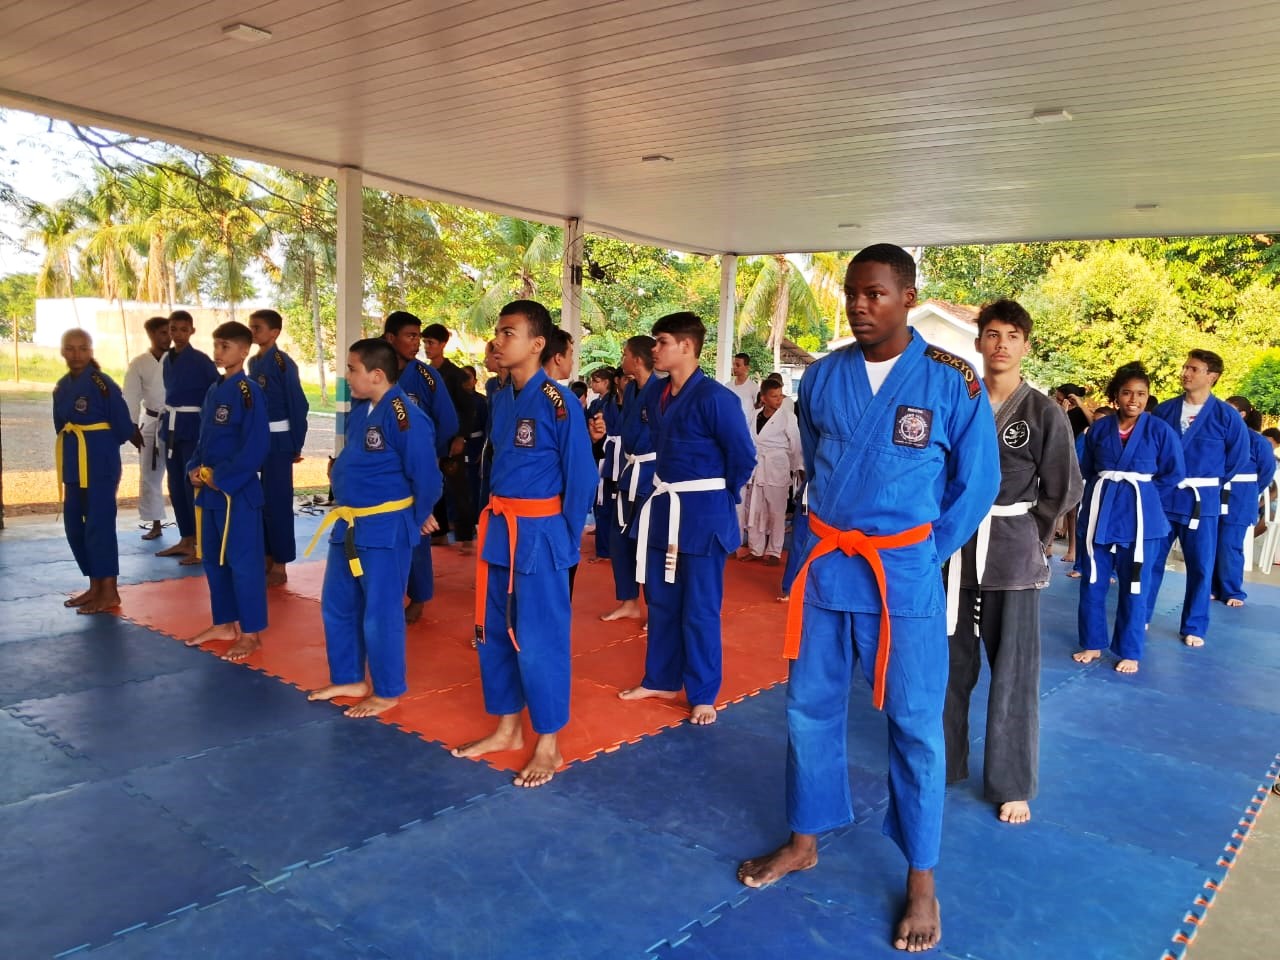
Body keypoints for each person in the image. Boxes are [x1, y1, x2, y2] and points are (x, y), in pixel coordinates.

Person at [738, 244, 999, 954]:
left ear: (908, 298)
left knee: (915, 725)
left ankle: (921, 877)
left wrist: (925, 550)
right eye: (853, 293)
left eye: (876, 293)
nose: (860, 305)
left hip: (900, 577)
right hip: (827, 572)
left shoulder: (953, 382)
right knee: (806, 711)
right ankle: (803, 839)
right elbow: (819, 461)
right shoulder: (821, 379)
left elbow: (975, 484)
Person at [943, 299, 1082, 826]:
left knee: (1014, 674)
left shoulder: (1043, 411)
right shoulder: (959, 400)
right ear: (979, 342)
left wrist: (1031, 534)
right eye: (993, 334)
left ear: (1026, 345)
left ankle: (1012, 782)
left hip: (1013, 553)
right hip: (955, 551)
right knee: (948, 667)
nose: (1001, 343)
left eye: (1012, 335)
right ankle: (943, 762)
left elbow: (1064, 487)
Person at [451, 301, 595, 787]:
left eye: (508, 333)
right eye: (496, 332)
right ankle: (509, 728)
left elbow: (581, 479)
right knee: (492, 632)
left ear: (537, 345)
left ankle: (548, 743)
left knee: (541, 642)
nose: (497, 340)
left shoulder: (559, 402)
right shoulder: (501, 397)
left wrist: (565, 540)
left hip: (541, 535)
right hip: (500, 531)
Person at [621, 312, 756, 725]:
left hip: (702, 514)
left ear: (686, 346)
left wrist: (719, 497)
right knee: (660, 602)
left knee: (699, 609)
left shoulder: (717, 398)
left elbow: (743, 457)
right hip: (664, 509)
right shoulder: (655, 393)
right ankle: (661, 676)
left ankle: (701, 693)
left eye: (661, 342)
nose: (655, 349)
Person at [307, 338, 443, 717]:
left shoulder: (406, 416)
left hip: (384, 530)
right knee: (338, 605)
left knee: (381, 613)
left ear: (377, 374)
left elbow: (428, 478)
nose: (347, 376)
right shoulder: (361, 411)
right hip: (348, 525)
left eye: (352, 369)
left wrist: (416, 519)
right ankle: (350, 675)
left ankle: (387, 689)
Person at [1074, 362, 1185, 673]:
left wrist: (1146, 496)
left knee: (1135, 585)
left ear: (1148, 397)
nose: (1133, 399)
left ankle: (1130, 650)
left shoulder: (1160, 430)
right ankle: (1093, 643)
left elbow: (1173, 472)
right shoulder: (1098, 429)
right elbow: (1087, 468)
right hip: (1102, 513)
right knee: (1093, 580)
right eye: (1126, 393)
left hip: (1141, 519)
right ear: (1115, 396)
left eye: (1140, 394)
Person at [1145, 350, 1251, 647]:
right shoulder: (1165, 410)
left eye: (1193, 368)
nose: (1185, 372)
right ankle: (1141, 615)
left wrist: (1209, 484)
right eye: (1185, 367)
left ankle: (1194, 625)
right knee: (1151, 561)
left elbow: (1238, 458)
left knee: (1201, 566)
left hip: (1201, 501)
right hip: (1164, 498)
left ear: (1211, 376)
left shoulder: (1226, 416)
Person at [184, 322, 271, 662]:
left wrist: (223, 477)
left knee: (243, 563)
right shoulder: (213, 390)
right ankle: (224, 623)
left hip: (237, 493)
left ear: (243, 351)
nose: (218, 352)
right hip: (209, 492)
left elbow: (257, 444)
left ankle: (251, 633)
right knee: (214, 562)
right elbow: (204, 440)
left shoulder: (248, 391)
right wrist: (193, 468)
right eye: (216, 346)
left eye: (225, 346)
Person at [54, 329, 138, 614]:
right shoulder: (62, 386)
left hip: (100, 462)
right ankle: (94, 584)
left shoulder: (103, 384)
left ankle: (110, 590)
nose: (76, 354)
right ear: (63, 352)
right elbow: (60, 426)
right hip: (73, 462)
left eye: (82, 348)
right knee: (74, 525)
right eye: (71, 348)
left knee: (99, 526)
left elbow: (123, 425)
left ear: (90, 351)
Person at [383, 311, 459, 624]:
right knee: (381, 532)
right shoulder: (374, 369)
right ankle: (383, 594)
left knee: (417, 531)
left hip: (414, 467)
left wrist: (428, 454)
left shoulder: (426, 375)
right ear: (391, 338)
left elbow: (449, 420)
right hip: (383, 468)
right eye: (410, 336)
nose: (417, 343)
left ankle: (418, 597)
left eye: (418, 336)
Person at [592, 336, 659, 622]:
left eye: (625, 354)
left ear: (638, 359)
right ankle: (629, 601)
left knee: (650, 544)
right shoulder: (630, 390)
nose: (621, 359)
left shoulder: (662, 391)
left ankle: (657, 611)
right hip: (629, 470)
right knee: (620, 540)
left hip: (653, 474)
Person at [247, 308, 309, 587]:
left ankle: (280, 563)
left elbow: (298, 404)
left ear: (274, 333)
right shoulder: (252, 362)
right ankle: (266, 556)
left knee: (278, 502)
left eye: (257, 328)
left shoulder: (283, 364)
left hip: (280, 439)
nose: (252, 333)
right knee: (258, 502)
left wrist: (296, 442)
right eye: (251, 327)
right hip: (258, 438)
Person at [157, 310, 219, 564]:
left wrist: (210, 427)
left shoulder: (202, 360)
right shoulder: (167, 359)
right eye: (174, 329)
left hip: (194, 425)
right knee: (173, 484)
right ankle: (185, 537)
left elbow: (215, 391)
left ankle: (201, 544)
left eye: (184, 329)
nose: (178, 334)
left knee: (191, 483)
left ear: (192, 331)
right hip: (171, 426)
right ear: (168, 331)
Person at [1211, 397, 1277, 606]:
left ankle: (1232, 591)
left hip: (1240, 498)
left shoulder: (1257, 441)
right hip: (1215, 494)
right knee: (1209, 544)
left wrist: (1250, 493)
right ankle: (1211, 587)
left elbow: (1266, 472)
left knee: (1230, 545)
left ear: (1241, 415)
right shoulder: (1217, 436)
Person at [422, 322, 476, 549]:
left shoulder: (455, 375)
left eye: (431, 343)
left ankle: (465, 535)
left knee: (457, 487)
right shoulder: (423, 372)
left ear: (443, 344)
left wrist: (460, 437)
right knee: (433, 487)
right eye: (425, 343)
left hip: (451, 439)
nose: (427, 347)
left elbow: (468, 408)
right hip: (430, 440)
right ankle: (439, 532)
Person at [739, 379, 802, 566]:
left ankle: (774, 551)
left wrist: (799, 467)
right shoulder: (754, 415)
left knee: (776, 511)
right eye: (774, 396)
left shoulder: (788, 417)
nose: (779, 399)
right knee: (755, 508)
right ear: (763, 398)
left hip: (776, 466)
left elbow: (796, 444)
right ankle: (756, 549)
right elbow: (748, 441)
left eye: (780, 395)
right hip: (757, 466)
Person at [122, 316, 171, 541]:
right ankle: (156, 523)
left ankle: (193, 529)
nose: (168, 337)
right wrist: (131, 426)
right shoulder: (139, 363)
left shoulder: (180, 359)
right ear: (151, 335)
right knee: (150, 475)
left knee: (183, 475)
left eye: (169, 332)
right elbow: (130, 395)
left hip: (178, 422)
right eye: (162, 333)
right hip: (151, 421)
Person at [586, 366, 622, 563]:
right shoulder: (599, 403)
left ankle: (607, 550)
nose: (593, 384)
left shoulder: (613, 404)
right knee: (601, 504)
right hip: (599, 452)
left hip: (610, 457)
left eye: (597, 381)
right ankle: (604, 549)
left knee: (608, 504)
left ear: (608, 382)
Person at [460, 364, 488, 525]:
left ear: (475, 381)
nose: (465, 381)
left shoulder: (481, 401)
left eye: (468, 377)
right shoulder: (453, 400)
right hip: (458, 447)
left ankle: (474, 520)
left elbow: (487, 427)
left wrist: (482, 451)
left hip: (475, 446)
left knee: (473, 485)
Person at [725, 352, 758, 426]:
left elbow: (758, 409)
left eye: (738, 365)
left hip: (747, 429)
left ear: (747, 367)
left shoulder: (754, 387)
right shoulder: (727, 386)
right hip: (729, 426)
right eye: (733, 364)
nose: (734, 367)